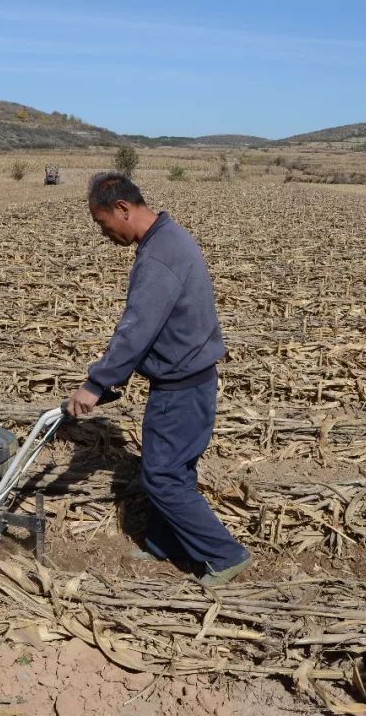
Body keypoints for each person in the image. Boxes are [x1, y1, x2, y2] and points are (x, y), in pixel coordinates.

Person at [66, 172, 251, 586]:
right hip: (192, 378)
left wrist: (97, 383)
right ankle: (165, 544)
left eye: (102, 222)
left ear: (122, 209)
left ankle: (225, 555)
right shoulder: (169, 239)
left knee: (162, 476)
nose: (104, 232)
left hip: (181, 387)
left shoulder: (158, 258)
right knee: (172, 469)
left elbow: (137, 328)